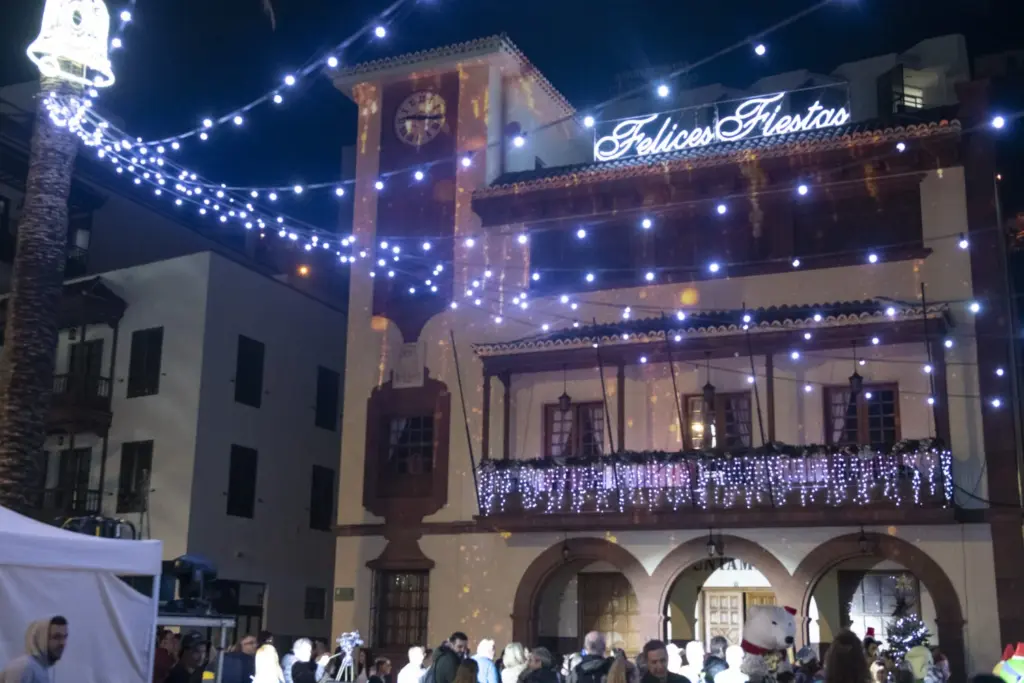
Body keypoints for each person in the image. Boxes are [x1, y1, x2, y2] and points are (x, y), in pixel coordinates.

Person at [0, 616, 69, 683]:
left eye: (65, 637)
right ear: (41, 639)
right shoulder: (24, 667)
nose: (62, 643)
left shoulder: (39, 668)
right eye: (56, 637)